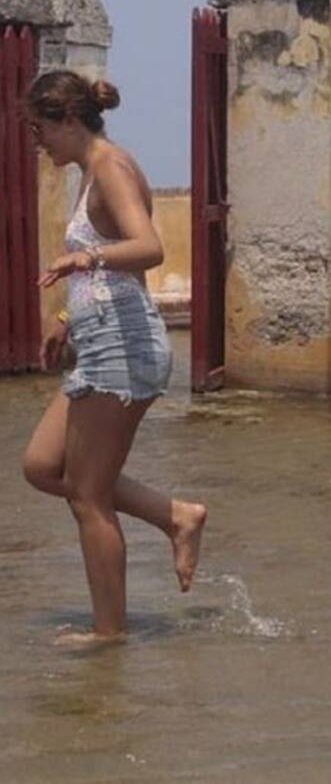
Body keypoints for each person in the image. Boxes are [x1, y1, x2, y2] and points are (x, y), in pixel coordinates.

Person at [20, 71, 207, 642]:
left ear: (69, 120)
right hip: (101, 345)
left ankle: (109, 637)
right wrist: (65, 318)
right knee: (42, 467)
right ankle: (174, 514)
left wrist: (85, 261)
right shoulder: (88, 170)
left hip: (126, 352)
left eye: (40, 130)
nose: (37, 143)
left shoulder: (111, 167)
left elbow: (150, 248)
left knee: (88, 497)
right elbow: (108, 273)